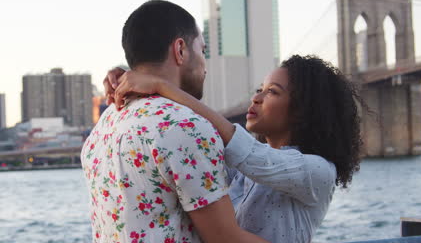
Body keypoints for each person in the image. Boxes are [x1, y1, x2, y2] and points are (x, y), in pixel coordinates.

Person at [104, 54, 364, 242]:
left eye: (272, 92)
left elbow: (244, 149)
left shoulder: (317, 171)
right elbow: (202, 146)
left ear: (302, 110)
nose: (256, 98)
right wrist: (126, 78)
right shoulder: (242, 171)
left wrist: (160, 85)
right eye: (259, 89)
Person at [81, 0, 268, 243]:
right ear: (180, 50)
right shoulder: (187, 126)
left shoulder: (106, 122)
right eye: (202, 50)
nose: (205, 65)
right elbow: (226, 239)